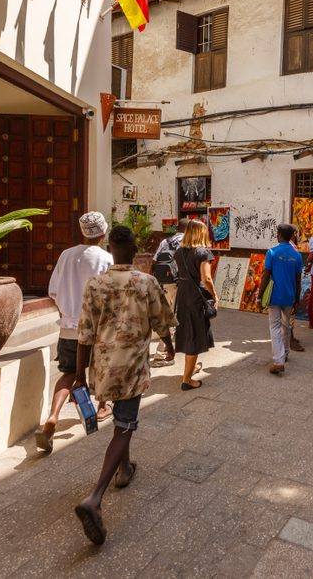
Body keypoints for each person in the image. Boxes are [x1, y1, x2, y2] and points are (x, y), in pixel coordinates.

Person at [72, 226, 176, 545]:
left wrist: (79, 375)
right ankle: (95, 497)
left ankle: (124, 470)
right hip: (131, 368)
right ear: (132, 250)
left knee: (121, 420)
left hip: (103, 366)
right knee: (124, 425)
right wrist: (170, 348)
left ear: (111, 248)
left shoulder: (95, 284)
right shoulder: (146, 283)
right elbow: (162, 323)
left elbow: (84, 334)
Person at [36, 212, 114, 453]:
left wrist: (65, 313)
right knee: (103, 371)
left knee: (68, 373)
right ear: (103, 233)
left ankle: (53, 416)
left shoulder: (66, 255)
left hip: (69, 326)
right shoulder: (106, 258)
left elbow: (54, 290)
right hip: (98, 328)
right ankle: (102, 408)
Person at [174, 221, 218, 390]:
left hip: (183, 292)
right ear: (201, 233)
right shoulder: (203, 252)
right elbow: (206, 278)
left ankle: (192, 367)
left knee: (188, 329)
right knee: (195, 332)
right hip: (196, 295)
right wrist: (214, 295)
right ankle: (187, 379)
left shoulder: (179, 251)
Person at [258, 224, 302, 376]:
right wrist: (297, 299)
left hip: (275, 296)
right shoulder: (297, 255)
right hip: (290, 296)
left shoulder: (272, 252)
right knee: (286, 325)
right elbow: (298, 280)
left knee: (275, 326)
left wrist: (259, 296)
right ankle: (286, 352)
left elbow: (266, 276)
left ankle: (278, 361)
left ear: (281, 235)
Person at [151, 218, 191, 366]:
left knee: (170, 315)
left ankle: (181, 348)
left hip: (166, 284)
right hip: (181, 284)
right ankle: (160, 355)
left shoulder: (165, 242)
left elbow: (154, 262)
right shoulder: (188, 242)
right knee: (173, 319)